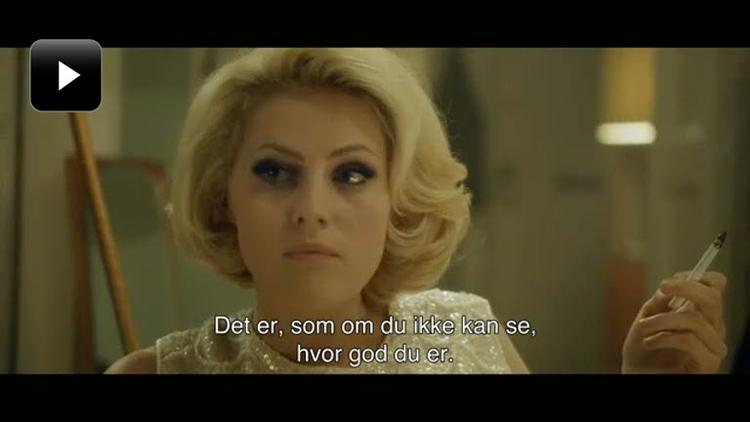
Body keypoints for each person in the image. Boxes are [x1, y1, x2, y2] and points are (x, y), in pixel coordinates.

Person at [106, 48, 728, 374]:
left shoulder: (468, 337)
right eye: (275, 172)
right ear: (224, 198)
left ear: (397, 201)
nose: (311, 209)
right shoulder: (156, 373)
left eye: (351, 174)